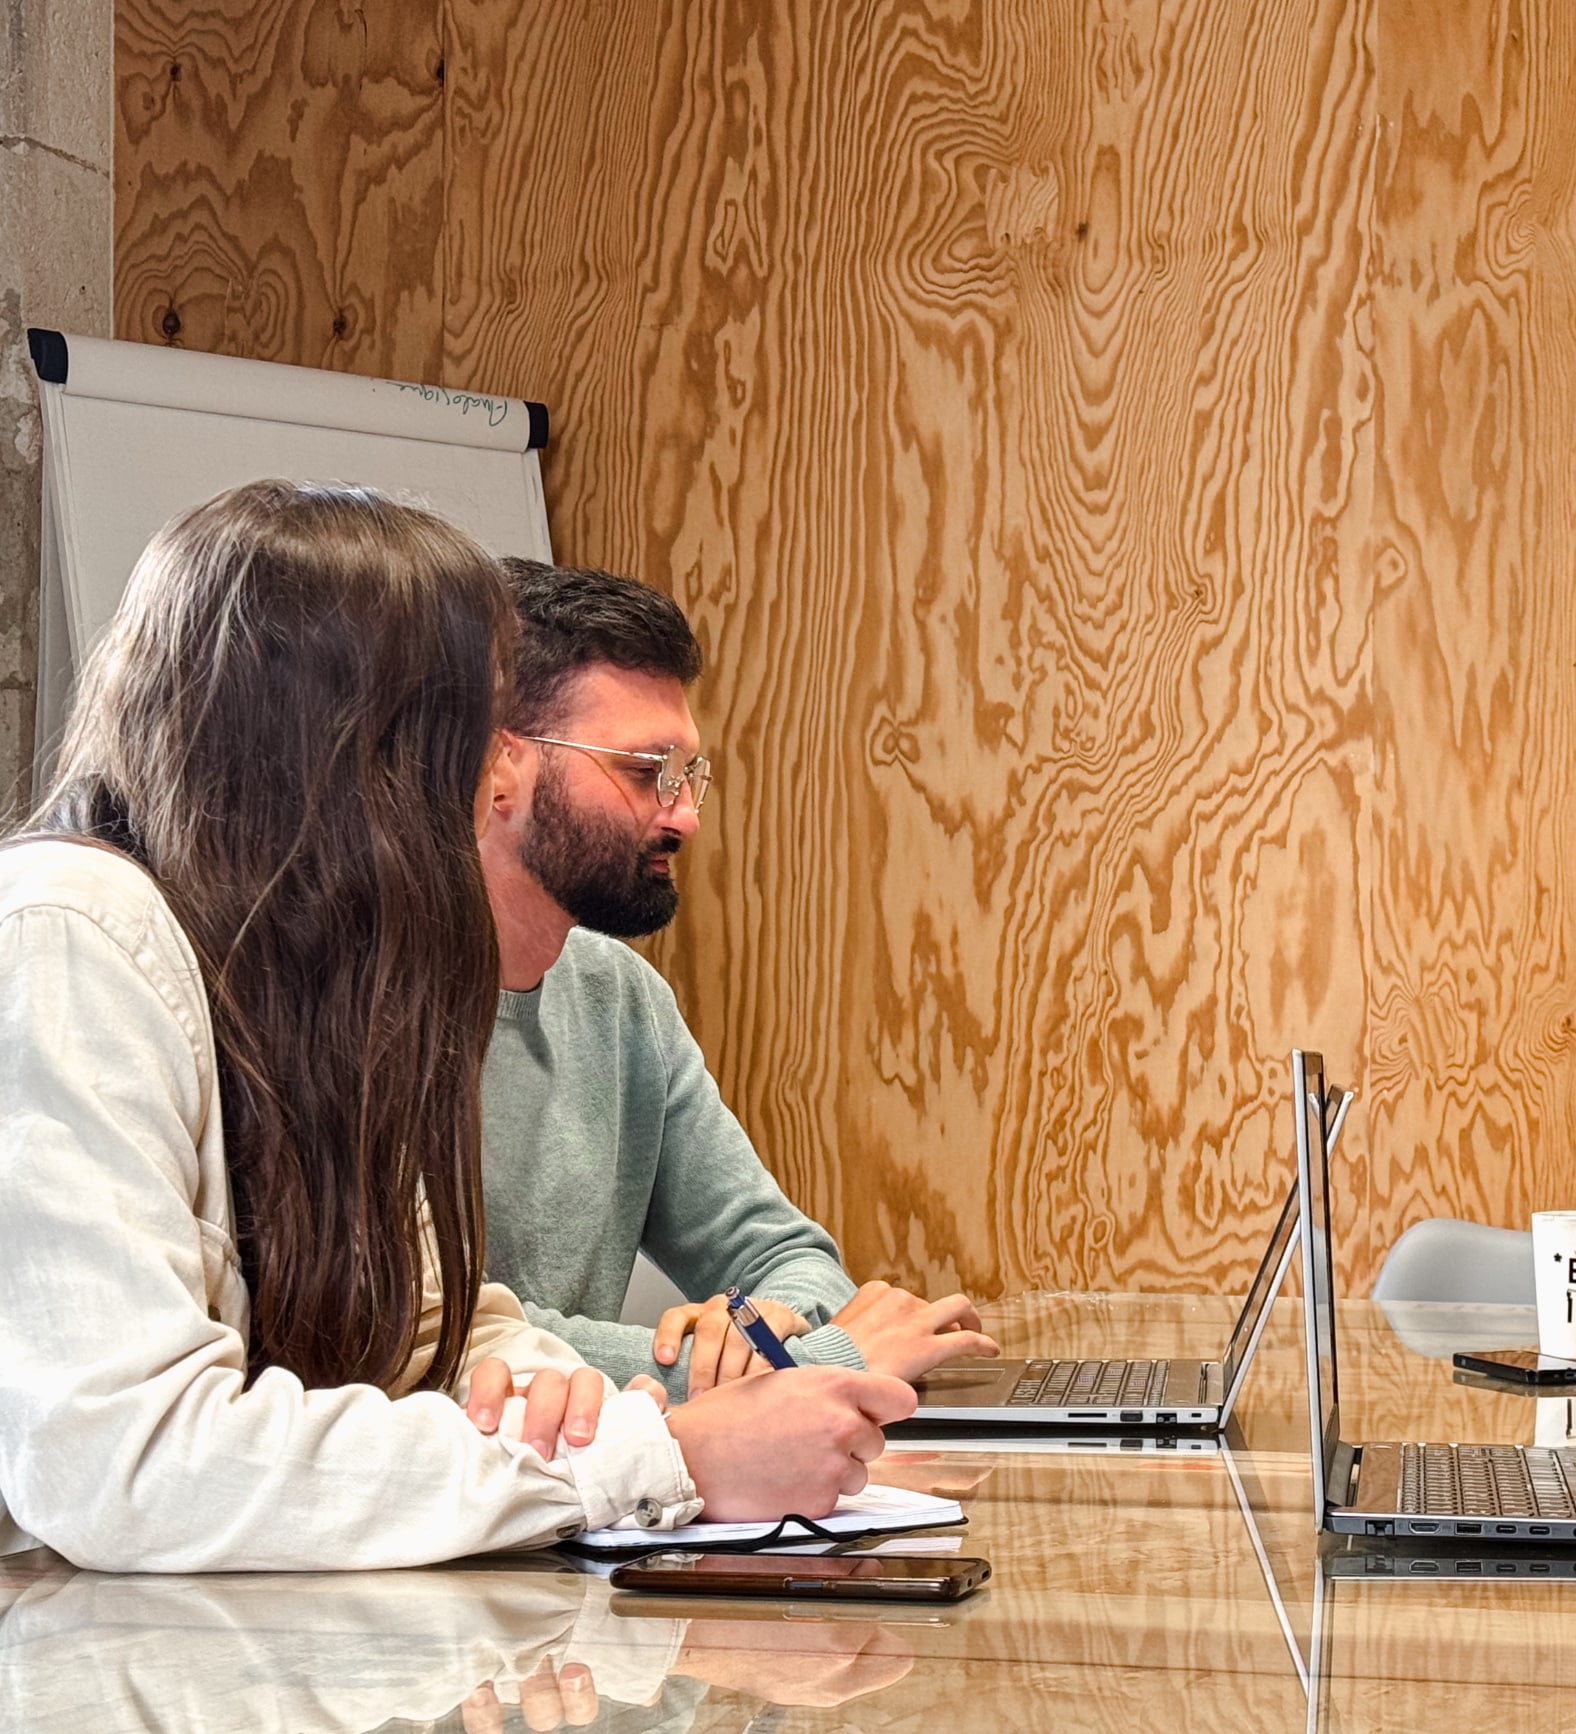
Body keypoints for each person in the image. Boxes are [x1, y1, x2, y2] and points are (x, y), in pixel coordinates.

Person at [0, 481, 912, 1572]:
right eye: (474, 736)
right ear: (339, 744)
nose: (501, 781)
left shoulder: (319, 967)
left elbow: (428, 1329)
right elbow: (126, 1467)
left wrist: (542, 1388)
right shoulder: (70, 937)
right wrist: (650, 1454)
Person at [476, 558, 994, 1396]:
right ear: (502, 768)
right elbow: (448, 1345)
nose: (686, 815)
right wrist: (831, 1361)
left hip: (600, 1498)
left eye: (687, 777)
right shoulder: (364, 1008)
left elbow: (785, 1256)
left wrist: (764, 1326)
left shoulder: (620, 997)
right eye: (647, 774)